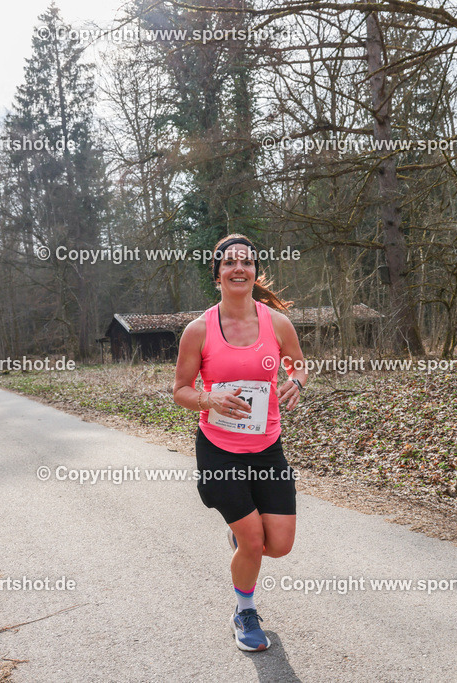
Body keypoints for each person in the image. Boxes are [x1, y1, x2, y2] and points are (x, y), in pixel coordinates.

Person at [172, 234, 307, 652]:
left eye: (245, 262)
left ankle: (240, 540)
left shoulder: (277, 323)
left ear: (254, 272)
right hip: (219, 451)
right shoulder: (198, 330)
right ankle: (244, 612)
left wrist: (297, 381)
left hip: (267, 448)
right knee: (253, 542)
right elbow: (180, 390)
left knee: (278, 545)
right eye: (229, 262)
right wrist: (209, 398)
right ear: (217, 274)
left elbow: (298, 365)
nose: (238, 268)